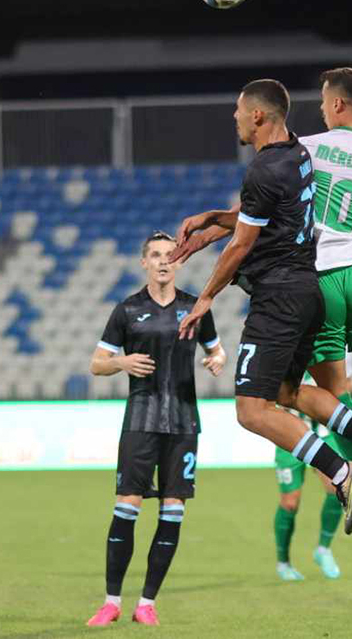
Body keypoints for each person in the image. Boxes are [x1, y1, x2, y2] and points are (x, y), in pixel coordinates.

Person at [172, 68, 352, 512]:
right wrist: (215, 223)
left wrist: (208, 273)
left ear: (335, 105)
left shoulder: (306, 150)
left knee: (286, 401)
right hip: (348, 275)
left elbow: (253, 225)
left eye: (322, 100)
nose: (318, 107)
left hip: (303, 283)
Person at [85, 231, 227, 628]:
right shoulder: (127, 311)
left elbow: (217, 349)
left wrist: (217, 359)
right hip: (141, 421)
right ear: (143, 263)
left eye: (170, 255)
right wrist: (122, 362)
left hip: (183, 422)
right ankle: (111, 601)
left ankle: (146, 602)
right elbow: (97, 363)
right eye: (156, 255)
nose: (164, 261)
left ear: (179, 262)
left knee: (172, 510)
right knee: (127, 506)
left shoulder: (196, 307)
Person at [273, 353, 352, 581]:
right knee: (290, 502)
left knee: (338, 488)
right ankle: (283, 562)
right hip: (288, 432)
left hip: (322, 432)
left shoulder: (335, 345)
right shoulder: (282, 341)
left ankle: (323, 549)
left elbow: (347, 383)